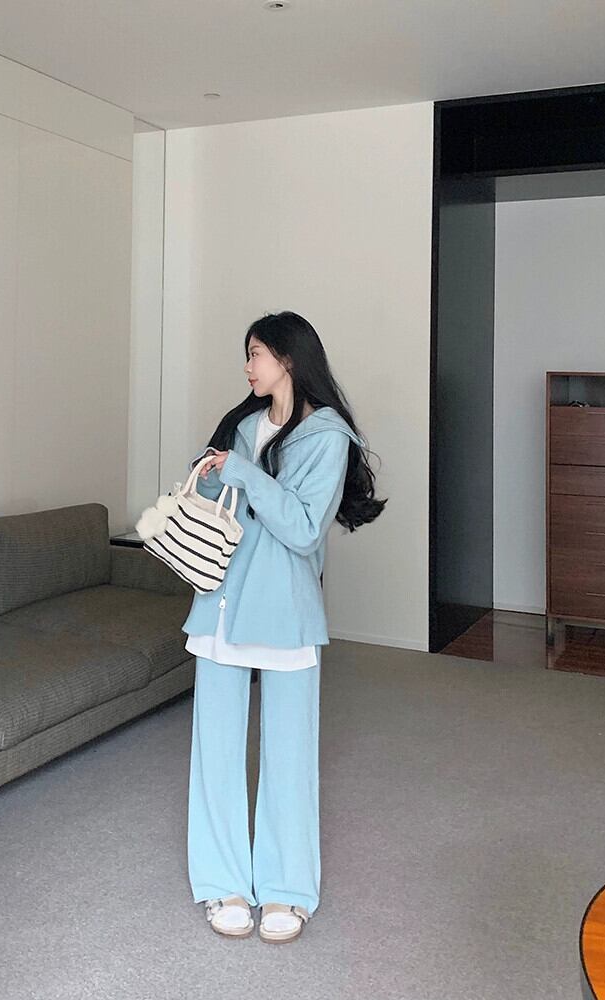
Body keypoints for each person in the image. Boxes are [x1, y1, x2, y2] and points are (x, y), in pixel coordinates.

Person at [182, 311, 386, 943]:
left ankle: (287, 889)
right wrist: (214, 476)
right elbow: (223, 511)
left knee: (290, 754)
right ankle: (221, 883)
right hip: (221, 603)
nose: (247, 366)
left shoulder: (328, 437)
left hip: (287, 612)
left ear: (288, 359)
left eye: (256, 353)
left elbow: (302, 529)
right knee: (215, 751)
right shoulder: (242, 427)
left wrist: (243, 474)